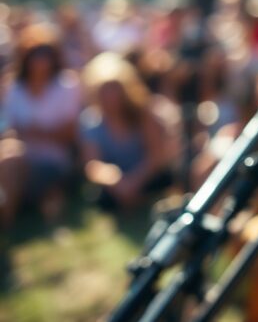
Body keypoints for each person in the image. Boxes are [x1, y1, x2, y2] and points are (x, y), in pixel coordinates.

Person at [0, 24, 81, 224]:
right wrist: (36, 133)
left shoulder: (66, 85)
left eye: (45, 53)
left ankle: (6, 220)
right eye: (35, 54)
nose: (40, 60)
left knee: (11, 158)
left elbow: (70, 134)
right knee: (11, 155)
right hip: (17, 157)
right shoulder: (14, 87)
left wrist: (29, 133)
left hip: (52, 160)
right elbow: (10, 129)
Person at [79, 52, 179, 209]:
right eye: (105, 89)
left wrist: (134, 182)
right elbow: (93, 164)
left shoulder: (143, 114)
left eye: (114, 88)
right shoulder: (90, 121)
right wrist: (115, 179)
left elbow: (157, 156)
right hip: (116, 185)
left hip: (147, 177)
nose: (110, 95)